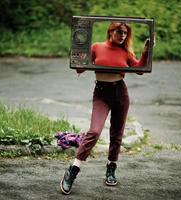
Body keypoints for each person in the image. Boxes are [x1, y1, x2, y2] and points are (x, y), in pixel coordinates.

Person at [60, 22, 150, 195]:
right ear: (111, 31)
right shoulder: (96, 47)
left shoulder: (126, 52)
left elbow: (139, 70)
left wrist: (146, 52)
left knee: (117, 134)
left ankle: (111, 168)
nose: (122, 35)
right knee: (94, 131)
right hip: (101, 93)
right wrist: (76, 56)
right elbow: (80, 68)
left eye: (125, 33)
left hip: (120, 93)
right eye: (119, 32)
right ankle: (73, 170)